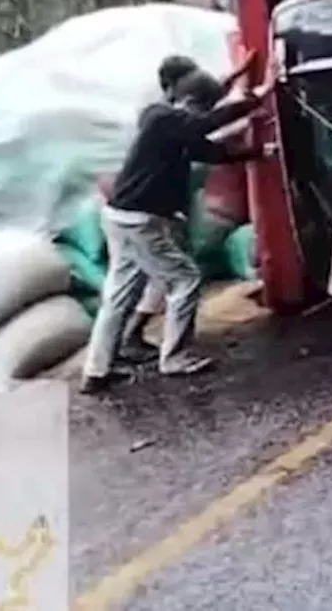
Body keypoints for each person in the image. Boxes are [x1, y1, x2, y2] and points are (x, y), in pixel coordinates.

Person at [80, 70, 276, 393]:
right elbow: (204, 125)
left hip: (121, 218)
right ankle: (175, 357)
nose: (202, 117)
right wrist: (258, 94)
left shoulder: (170, 128)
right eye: (202, 109)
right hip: (139, 220)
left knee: (119, 295)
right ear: (188, 102)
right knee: (185, 279)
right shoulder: (161, 118)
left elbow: (209, 151)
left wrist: (259, 153)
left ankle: (97, 372)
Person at [108, 52, 256, 364]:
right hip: (148, 211)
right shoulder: (166, 120)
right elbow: (207, 126)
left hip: (161, 210)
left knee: (156, 278)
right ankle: (165, 352)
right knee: (177, 277)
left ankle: (125, 343)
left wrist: (237, 77)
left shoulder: (175, 116)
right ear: (176, 88)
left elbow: (209, 117)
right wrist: (255, 100)